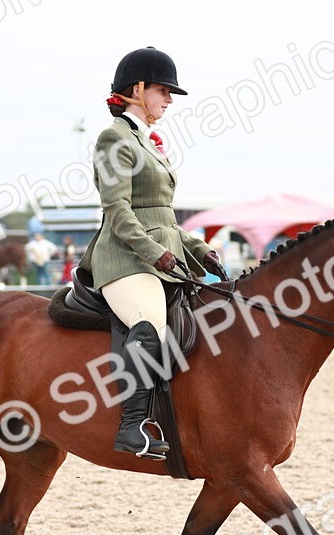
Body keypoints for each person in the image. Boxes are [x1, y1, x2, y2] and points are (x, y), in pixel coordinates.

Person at [79, 46, 226, 459]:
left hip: (160, 257)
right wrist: (156, 253)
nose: (169, 100)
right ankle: (132, 428)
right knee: (149, 321)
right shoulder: (114, 139)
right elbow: (119, 211)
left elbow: (164, 217)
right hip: (124, 259)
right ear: (138, 89)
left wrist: (198, 251)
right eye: (164, 91)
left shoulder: (151, 142)